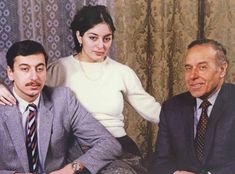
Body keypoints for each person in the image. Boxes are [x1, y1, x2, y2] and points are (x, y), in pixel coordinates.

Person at [0, 5, 161, 156]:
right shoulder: (59, 68)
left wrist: (182, 118)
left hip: (118, 145)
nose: (101, 45)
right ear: (79, 36)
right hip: (74, 149)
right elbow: (25, 89)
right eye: (93, 38)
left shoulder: (122, 72)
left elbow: (152, 109)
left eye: (107, 38)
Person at [0, 40, 122, 174]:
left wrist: (72, 168)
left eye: (40, 69)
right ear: (10, 73)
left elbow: (109, 144)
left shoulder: (62, 99)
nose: (34, 77)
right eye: (25, 69)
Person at [152, 38, 235, 174]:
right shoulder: (172, 108)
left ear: (221, 69)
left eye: (202, 67)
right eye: (188, 68)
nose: (192, 76)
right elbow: (161, 161)